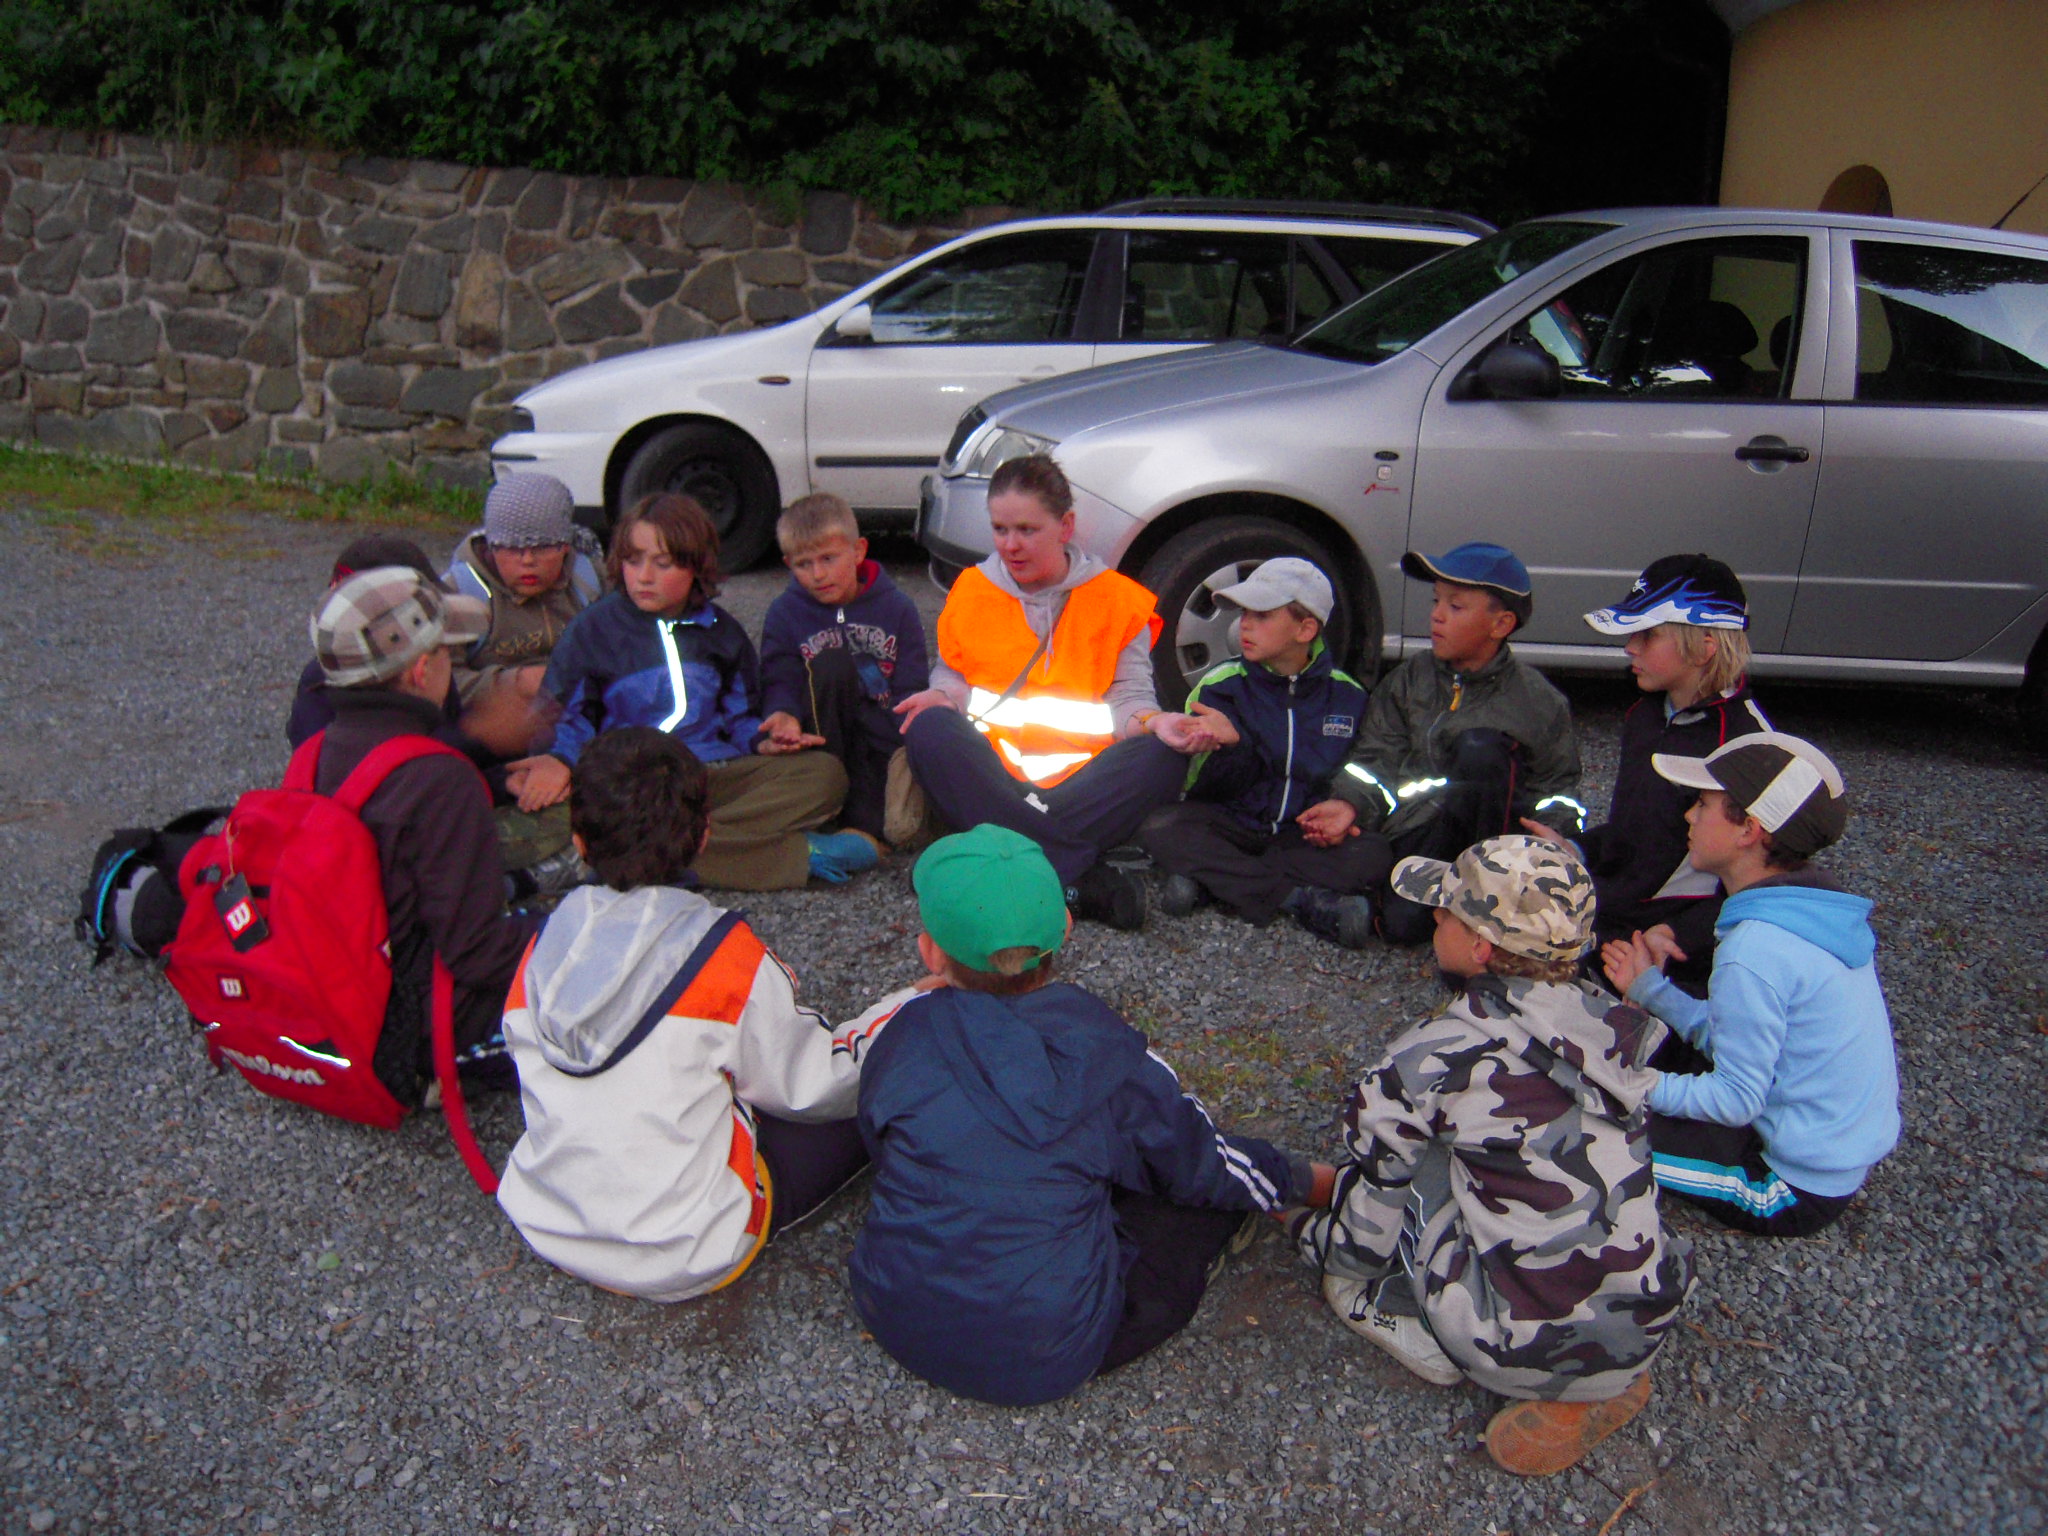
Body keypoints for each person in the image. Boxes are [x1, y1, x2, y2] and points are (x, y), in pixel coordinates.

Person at [849, 824, 1321, 1406]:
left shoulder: (901, 1034)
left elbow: (879, 1143)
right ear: (1067, 928)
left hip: (891, 1309)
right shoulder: (1110, 1060)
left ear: (930, 952)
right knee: (1188, 1203)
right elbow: (1202, 1164)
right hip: (1043, 1356)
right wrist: (1303, 1179)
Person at [1292, 836, 1692, 1478]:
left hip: (1513, 1345)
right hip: (1646, 1313)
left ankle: (1412, 1324)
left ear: (1480, 948)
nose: (1434, 917)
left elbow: (1369, 1221)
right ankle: (1603, 1372)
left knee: (1412, 1173)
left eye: (1446, 911)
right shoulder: (1610, 1026)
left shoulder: (1427, 1060)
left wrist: (1312, 1238)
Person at [495, 727, 903, 1301]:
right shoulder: (720, 952)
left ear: (579, 842)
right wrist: (903, 1007)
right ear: (706, 835)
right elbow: (815, 1085)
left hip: (549, 1219)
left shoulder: (544, 948)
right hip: (687, 1247)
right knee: (873, 1093)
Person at [894, 455, 1218, 929]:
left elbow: (1129, 700)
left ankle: (991, 861)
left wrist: (1158, 722)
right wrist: (941, 698)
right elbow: (952, 677)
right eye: (1000, 529)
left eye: (1027, 530)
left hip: (1079, 784)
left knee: (1163, 755)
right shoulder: (972, 589)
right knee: (929, 728)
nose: (1010, 545)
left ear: (1065, 526)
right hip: (994, 777)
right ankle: (1074, 879)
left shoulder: (1116, 599)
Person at [1602, 732, 1899, 1238]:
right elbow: (1740, 1035)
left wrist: (1615, 1082)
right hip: (1825, 1148)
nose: (1689, 815)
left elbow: (1736, 1098)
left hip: (1787, 1187)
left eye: (1703, 805)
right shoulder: (1807, 910)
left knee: (1584, 1126)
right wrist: (1652, 990)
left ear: (1749, 830)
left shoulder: (1756, 948)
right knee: (1641, 1058)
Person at [506, 493, 864, 890]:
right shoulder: (593, 631)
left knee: (825, 775)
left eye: (663, 564)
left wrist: (763, 742)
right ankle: (793, 855)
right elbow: (564, 716)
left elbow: (741, 718)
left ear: (696, 565)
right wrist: (559, 759)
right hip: (633, 785)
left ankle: (626, 851)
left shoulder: (721, 633)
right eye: (633, 560)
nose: (644, 576)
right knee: (572, 809)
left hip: (708, 777)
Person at [307, 566, 543, 1082]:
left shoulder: (319, 751)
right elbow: (479, 954)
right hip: (414, 1025)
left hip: (345, 984)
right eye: (446, 654)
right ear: (421, 670)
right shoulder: (439, 779)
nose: (450, 668)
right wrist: (572, 935)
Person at [1312, 542, 1584, 945]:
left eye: (1456, 607)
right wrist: (1349, 802)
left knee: (1481, 749)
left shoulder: (1538, 701)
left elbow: (1559, 788)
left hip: (1497, 849)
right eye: (1436, 601)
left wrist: (1555, 835)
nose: (1436, 615)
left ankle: (1488, 895)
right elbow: (1375, 758)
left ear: (1501, 624)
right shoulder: (1409, 680)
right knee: (1402, 926)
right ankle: (1421, 904)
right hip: (1420, 833)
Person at [1524, 554, 1771, 992]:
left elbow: (1763, 886)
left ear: (1705, 645)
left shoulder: (1751, 744)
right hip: (1612, 904)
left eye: (1648, 634)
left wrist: (1680, 934)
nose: (1630, 648)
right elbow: (1634, 829)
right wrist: (1575, 849)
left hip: (1669, 938)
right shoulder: (1645, 714)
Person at [1135, 557, 1386, 949]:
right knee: (1161, 827)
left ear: (1305, 629)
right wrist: (1230, 747)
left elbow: (1359, 769)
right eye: (1244, 613)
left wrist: (1343, 808)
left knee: (1374, 855)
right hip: (1233, 823)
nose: (1244, 625)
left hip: (1299, 832)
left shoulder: (1348, 696)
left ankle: (1217, 883)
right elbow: (1196, 786)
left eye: (1262, 615)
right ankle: (1299, 900)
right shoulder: (1220, 685)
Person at [756, 492, 930, 849]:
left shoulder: (897, 608)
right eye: (804, 564)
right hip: (822, 742)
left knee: (897, 822)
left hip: (882, 742)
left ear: (858, 551)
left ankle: (856, 831)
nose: (818, 574)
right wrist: (783, 714)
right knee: (831, 663)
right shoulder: (785, 613)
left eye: (828, 558)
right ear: (788, 564)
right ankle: (832, 817)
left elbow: (912, 686)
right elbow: (779, 676)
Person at [443, 471, 603, 708]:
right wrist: (517, 683)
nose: (528, 560)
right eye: (511, 548)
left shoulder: (590, 581)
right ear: (491, 546)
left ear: (565, 546)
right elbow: (440, 682)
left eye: (543, 547)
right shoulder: (458, 594)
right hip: (493, 718)